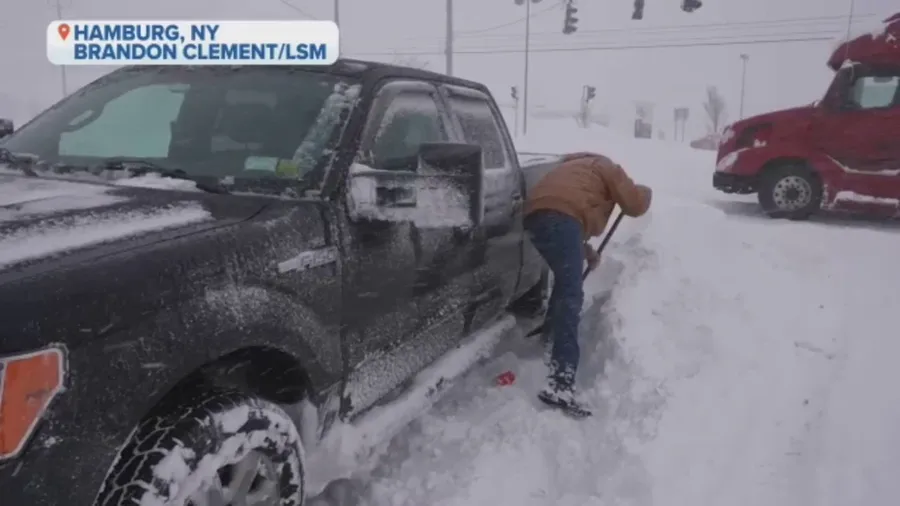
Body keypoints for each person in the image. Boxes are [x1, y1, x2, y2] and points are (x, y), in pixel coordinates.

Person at [524, 152, 652, 413]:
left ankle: (550, 336)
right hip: (561, 220)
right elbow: (635, 205)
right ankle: (561, 383)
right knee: (571, 294)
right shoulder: (606, 166)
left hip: (535, 218)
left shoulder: (575, 169)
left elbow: (562, 215)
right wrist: (645, 192)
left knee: (565, 282)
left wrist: (587, 253)